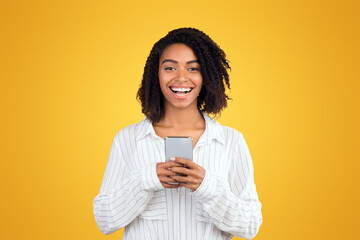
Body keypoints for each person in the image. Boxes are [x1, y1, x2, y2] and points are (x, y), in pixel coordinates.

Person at [93, 28, 262, 240]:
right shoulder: (128, 139)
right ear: (156, 74)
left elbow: (250, 226)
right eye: (170, 67)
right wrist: (147, 179)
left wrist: (207, 186)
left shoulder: (231, 141)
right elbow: (105, 220)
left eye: (193, 69)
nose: (181, 77)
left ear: (206, 77)